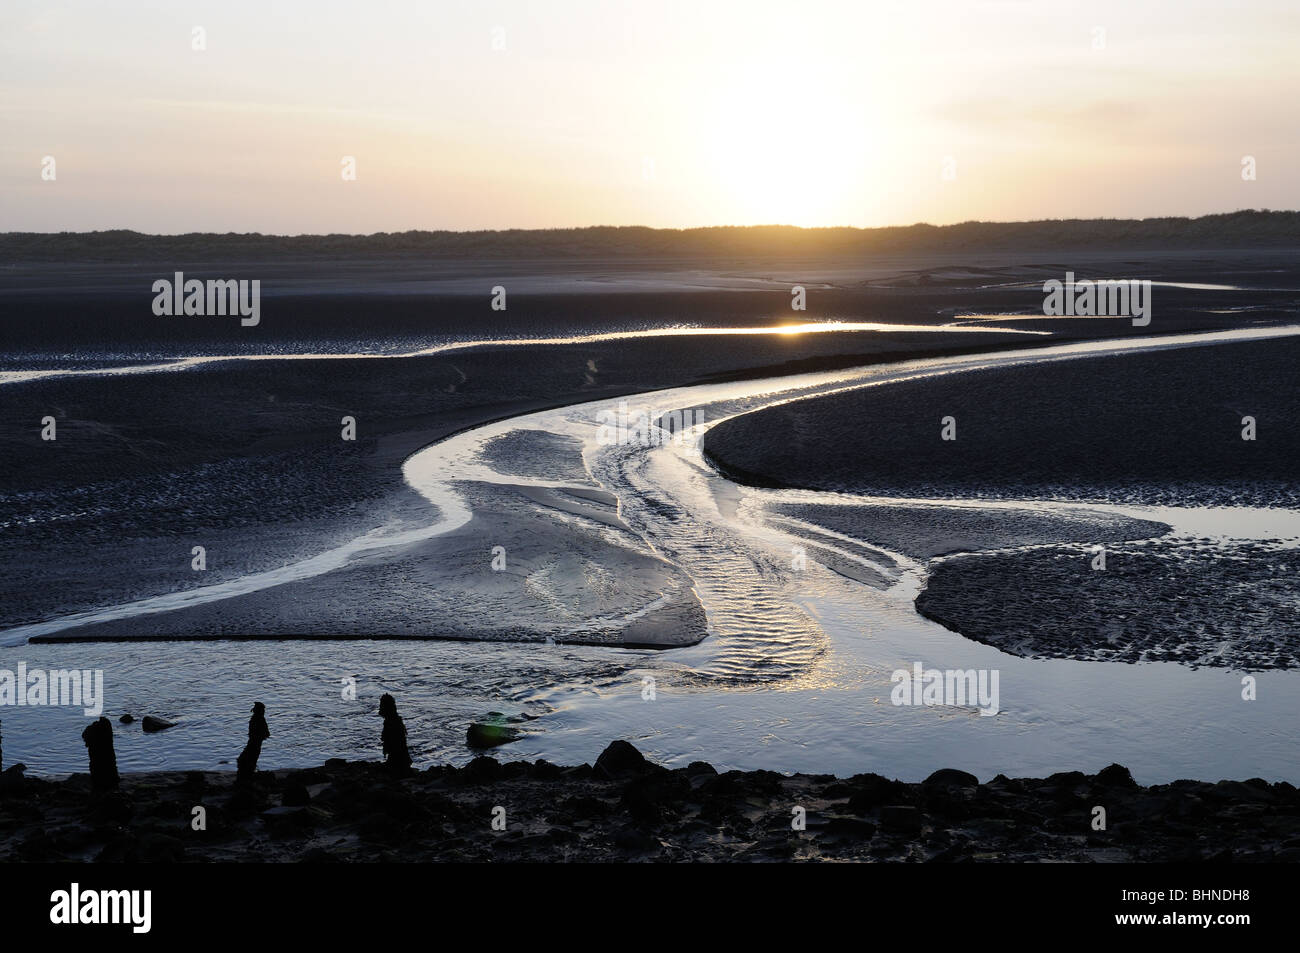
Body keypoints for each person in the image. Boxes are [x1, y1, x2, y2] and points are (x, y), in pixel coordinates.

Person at [81, 716, 120, 792]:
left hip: (100, 776)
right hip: (109, 774)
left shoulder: (94, 732)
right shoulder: (103, 732)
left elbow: (85, 735)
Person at [379, 693, 412, 776]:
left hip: (398, 760)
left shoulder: (392, 722)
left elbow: (394, 745)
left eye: (381, 705)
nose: (379, 708)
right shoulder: (394, 720)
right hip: (400, 759)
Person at [236, 701, 270, 782]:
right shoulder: (260, 719)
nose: (264, 711)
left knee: (249, 757)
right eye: (263, 710)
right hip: (256, 743)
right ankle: (248, 775)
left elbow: (256, 733)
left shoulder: (254, 719)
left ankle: (246, 774)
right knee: (252, 757)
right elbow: (267, 733)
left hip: (253, 742)